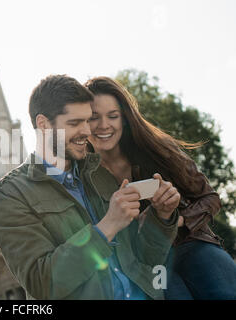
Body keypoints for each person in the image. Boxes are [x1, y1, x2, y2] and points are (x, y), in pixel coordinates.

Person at [0, 74, 180, 300]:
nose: (87, 131)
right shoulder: (9, 196)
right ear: (43, 124)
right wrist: (107, 227)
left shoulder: (99, 173)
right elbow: (43, 283)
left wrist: (163, 217)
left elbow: (147, 259)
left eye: (87, 120)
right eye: (74, 123)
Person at [84, 76, 236, 300]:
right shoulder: (83, 177)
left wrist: (173, 220)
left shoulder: (156, 149)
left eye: (113, 116)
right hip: (146, 266)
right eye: (94, 117)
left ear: (125, 118)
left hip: (190, 243)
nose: (104, 125)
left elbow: (209, 198)